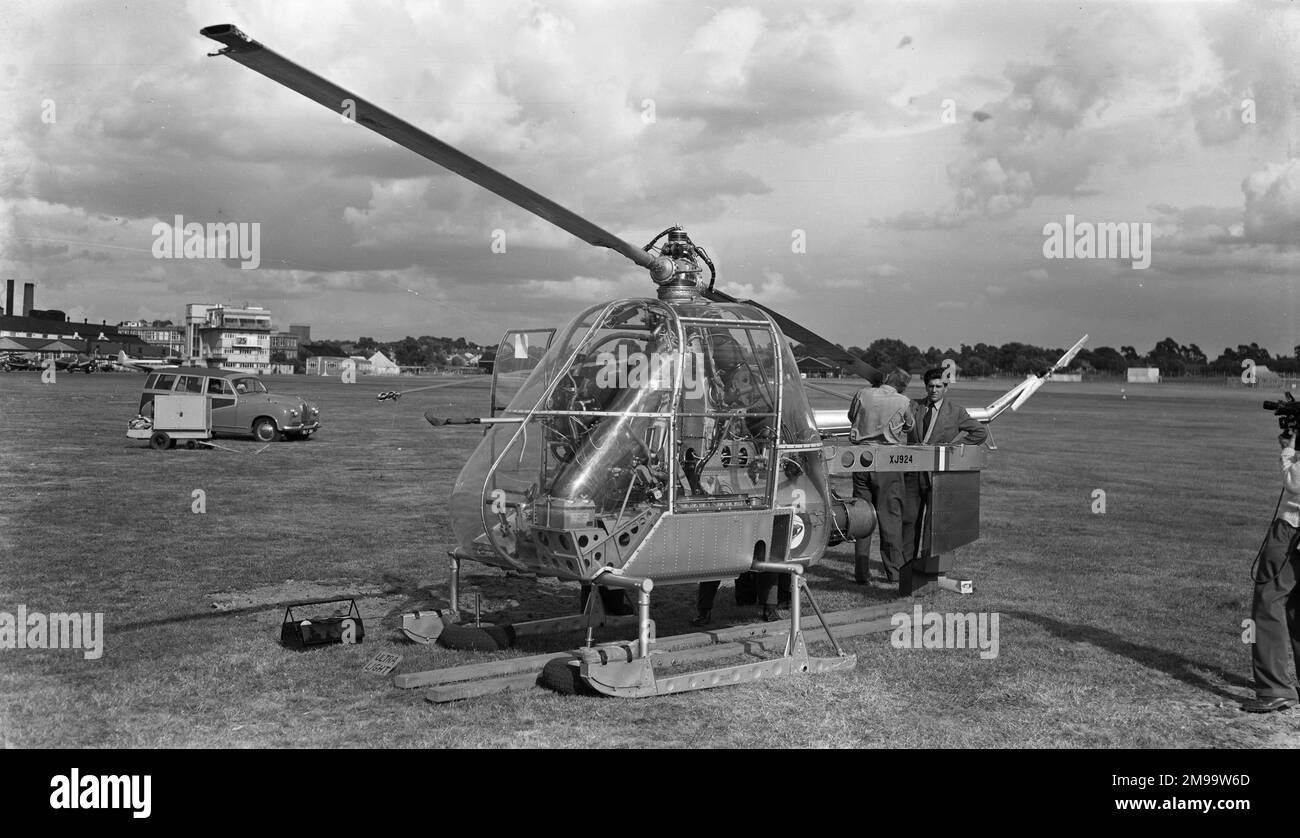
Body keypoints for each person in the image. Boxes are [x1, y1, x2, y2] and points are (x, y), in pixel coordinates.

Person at [901, 368, 988, 566]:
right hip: (913, 473)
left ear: (946, 388)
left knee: (933, 523)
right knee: (909, 521)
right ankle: (905, 566)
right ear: (925, 387)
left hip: (938, 474)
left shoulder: (956, 412)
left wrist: (955, 448)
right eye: (930, 386)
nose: (934, 390)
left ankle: (928, 564)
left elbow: (980, 432)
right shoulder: (913, 405)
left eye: (938, 386)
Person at [1242, 429, 1300, 713]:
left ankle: (1275, 687)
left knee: (1269, 601)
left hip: (1293, 529)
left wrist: (1288, 452)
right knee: (1296, 605)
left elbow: (1295, 482)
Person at [847, 368, 914, 584]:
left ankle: (861, 572)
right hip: (888, 461)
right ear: (902, 386)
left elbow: (851, 416)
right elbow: (910, 426)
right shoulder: (903, 401)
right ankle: (894, 573)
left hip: (861, 459)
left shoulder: (862, 394)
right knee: (890, 517)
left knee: (862, 517)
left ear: (886, 379)